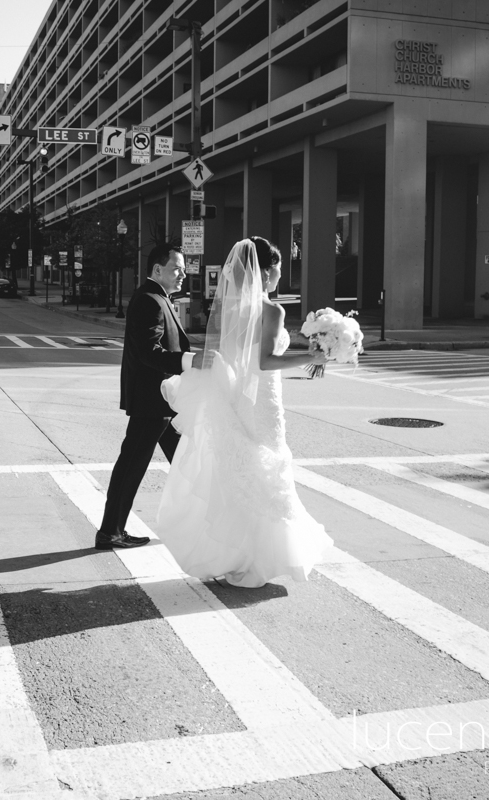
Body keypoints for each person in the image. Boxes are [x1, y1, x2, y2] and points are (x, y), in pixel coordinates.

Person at [155, 236, 332, 587]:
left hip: (239, 396)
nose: (280, 277)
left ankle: (243, 555)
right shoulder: (273, 311)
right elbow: (266, 361)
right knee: (267, 470)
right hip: (264, 399)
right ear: (265, 273)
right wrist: (313, 356)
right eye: (279, 271)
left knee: (247, 474)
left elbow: (235, 356)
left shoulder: (230, 310)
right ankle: (262, 558)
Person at [96, 242, 201, 550]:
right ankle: (110, 531)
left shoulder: (159, 298)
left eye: (182, 268)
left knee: (186, 461)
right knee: (133, 465)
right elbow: (148, 353)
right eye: (177, 268)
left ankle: (200, 524)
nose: (182, 274)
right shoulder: (149, 301)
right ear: (158, 269)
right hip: (151, 402)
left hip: (163, 402)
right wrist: (190, 361)